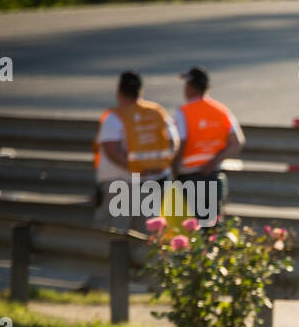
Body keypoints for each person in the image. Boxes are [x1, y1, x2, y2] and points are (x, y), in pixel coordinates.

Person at [92, 70, 180, 230]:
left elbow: (111, 150)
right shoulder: (157, 112)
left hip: (121, 183)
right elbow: (173, 142)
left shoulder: (115, 117)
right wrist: (162, 166)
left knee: (115, 233)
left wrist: (134, 169)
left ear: (119, 92)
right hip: (155, 180)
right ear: (141, 91)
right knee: (145, 234)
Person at [172, 66, 244, 225]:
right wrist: (213, 162)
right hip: (212, 176)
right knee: (211, 228)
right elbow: (236, 142)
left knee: (189, 229)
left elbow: (180, 143)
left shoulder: (184, 112)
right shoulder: (221, 110)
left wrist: (173, 171)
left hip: (189, 177)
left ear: (190, 87)